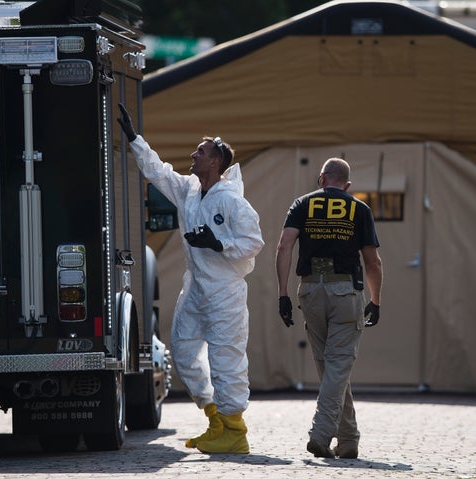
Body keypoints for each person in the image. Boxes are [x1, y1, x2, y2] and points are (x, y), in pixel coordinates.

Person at [118, 104, 264, 453]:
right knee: (183, 352)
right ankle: (216, 419)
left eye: (200, 151)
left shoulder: (231, 201)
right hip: (197, 287)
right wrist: (135, 139)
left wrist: (219, 243)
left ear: (216, 161)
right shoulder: (189, 190)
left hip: (224, 292)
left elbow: (253, 242)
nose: (193, 155)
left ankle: (235, 431)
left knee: (225, 359)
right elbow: (158, 172)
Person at [275, 158, 383, 459]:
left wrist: (282, 295)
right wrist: (376, 300)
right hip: (344, 291)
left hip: (309, 290)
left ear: (321, 178)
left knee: (330, 366)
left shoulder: (302, 204)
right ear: (347, 185)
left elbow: (284, 247)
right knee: (337, 365)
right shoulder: (359, 209)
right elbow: (372, 262)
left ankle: (348, 440)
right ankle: (321, 434)